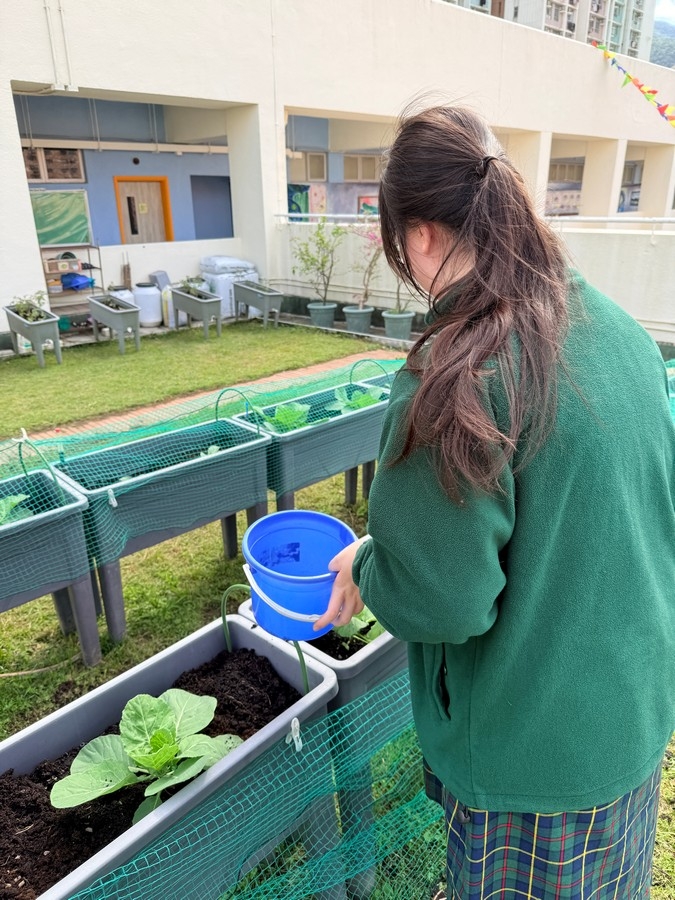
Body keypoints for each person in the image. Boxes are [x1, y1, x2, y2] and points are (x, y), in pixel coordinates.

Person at [313, 105, 675, 898]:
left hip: (527, 758)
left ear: (420, 235)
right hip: (630, 715)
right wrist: (372, 554)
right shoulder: (621, 333)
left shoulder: (456, 379)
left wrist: (370, 570)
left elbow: (442, 601)